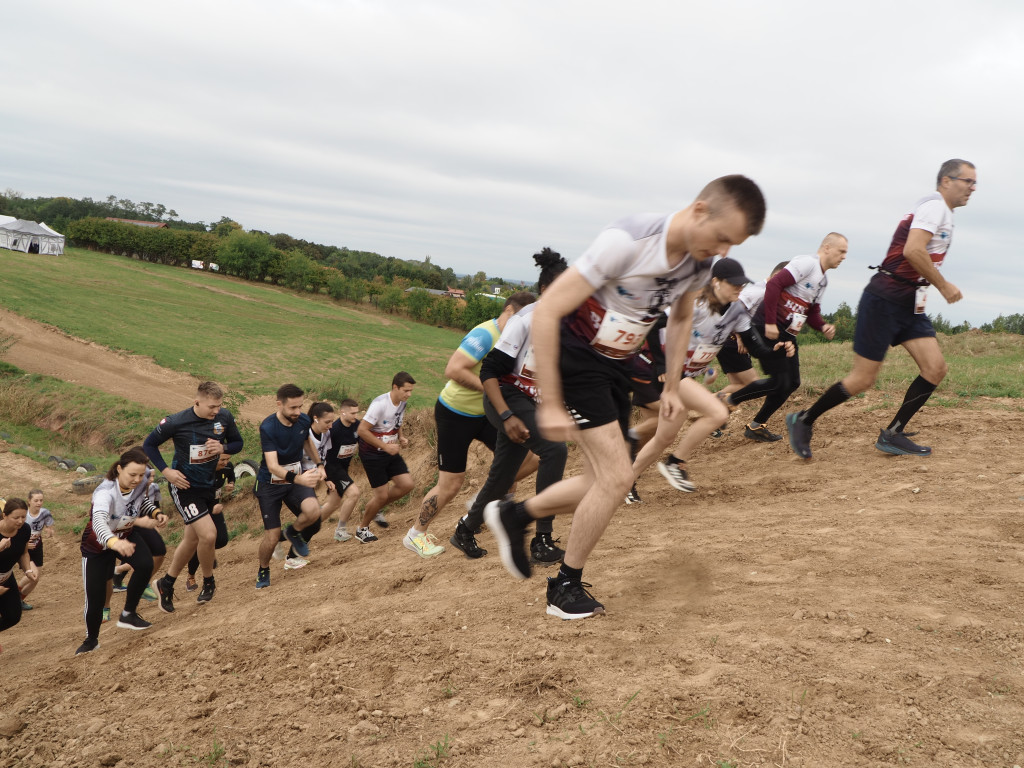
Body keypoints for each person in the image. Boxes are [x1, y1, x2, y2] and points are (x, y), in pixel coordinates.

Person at [486, 175, 766, 619]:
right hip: (574, 359)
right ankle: (564, 587)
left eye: (733, 245)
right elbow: (549, 309)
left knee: (607, 482)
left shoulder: (696, 263)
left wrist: (672, 385)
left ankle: (516, 515)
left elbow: (679, 318)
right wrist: (554, 402)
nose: (723, 253)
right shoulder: (628, 241)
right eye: (721, 238)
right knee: (618, 477)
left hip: (615, 365)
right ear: (699, 211)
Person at [787, 160, 976, 459]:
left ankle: (893, 433)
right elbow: (912, 250)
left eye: (974, 183)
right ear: (946, 181)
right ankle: (804, 419)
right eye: (968, 181)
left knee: (935, 368)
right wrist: (944, 285)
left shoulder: (940, 212)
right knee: (863, 379)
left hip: (909, 303)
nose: (972, 188)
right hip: (885, 300)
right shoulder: (935, 206)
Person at [630, 258, 792, 494]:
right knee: (716, 412)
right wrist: (662, 365)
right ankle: (676, 463)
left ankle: (623, 481)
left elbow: (755, 347)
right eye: (733, 284)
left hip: (685, 376)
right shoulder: (696, 303)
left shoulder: (737, 312)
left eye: (742, 284)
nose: (739, 288)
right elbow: (655, 324)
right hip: (667, 371)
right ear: (715, 282)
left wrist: (775, 351)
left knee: (663, 438)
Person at [452, 248, 570, 561]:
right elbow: (490, 370)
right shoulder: (526, 320)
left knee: (503, 477)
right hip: (506, 397)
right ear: (545, 290)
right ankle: (541, 539)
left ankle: (465, 529)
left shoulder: (567, 322)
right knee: (555, 449)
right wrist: (506, 416)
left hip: (531, 402)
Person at [412, 291, 537, 558]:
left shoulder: (516, 339)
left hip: (486, 414)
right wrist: (494, 391)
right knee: (451, 482)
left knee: (527, 457)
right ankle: (416, 534)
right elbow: (454, 369)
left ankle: (478, 506)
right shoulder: (485, 335)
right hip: (454, 413)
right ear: (511, 313)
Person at [722, 234, 847, 441]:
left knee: (792, 382)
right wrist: (770, 322)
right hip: (769, 327)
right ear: (826, 248)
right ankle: (729, 399)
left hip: (788, 333)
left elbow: (812, 311)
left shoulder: (822, 281)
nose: (843, 257)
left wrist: (823, 326)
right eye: (841, 251)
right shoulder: (807, 264)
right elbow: (773, 285)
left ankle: (755, 426)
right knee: (781, 381)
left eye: (845, 253)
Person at [146, 381, 243, 611]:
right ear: (196, 402)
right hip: (185, 488)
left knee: (192, 540)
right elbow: (149, 445)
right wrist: (167, 472)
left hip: (209, 486)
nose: (216, 411)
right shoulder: (176, 422)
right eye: (211, 406)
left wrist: (223, 448)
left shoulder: (224, 418)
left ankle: (165, 584)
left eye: (219, 406)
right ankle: (208, 581)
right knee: (209, 535)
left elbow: (238, 443)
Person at [76, 448, 169, 655]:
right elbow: (99, 521)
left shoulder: (140, 482)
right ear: (119, 469)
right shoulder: (104, 492)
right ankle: (91, 639)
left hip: (126, 534)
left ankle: (128, 613)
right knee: (95, 598)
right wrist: (113, 542)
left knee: (145, 564)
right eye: (132, 475)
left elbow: (141, 501)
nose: (138, 479)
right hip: (98, 545)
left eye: (141, 475)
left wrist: (156, 511)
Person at [253, 383, 325, 589]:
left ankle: (293, 532)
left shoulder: (302, 419)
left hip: (294, 478)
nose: (298, 412)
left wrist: (319, 464)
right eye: (293, 408)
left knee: (313, 513)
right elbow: (273, 466)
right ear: (279, 404)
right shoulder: (268, 427)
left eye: (300, 406)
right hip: (270, 484)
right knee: (273, 535)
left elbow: (307, 442)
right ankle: (263, 569)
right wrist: (299, 479)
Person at [354, 372, 416, 544]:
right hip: (372, 454)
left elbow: (397, 422)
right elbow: (362, 430)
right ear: (395, 387)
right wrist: (385, 446)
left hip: (390, 451)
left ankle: (376, 508)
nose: (409, 394)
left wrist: (401, 437)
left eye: (411, 391)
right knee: (380, 496)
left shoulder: (402, 402)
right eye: (406, 390)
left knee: (407, 485)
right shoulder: (379, 404)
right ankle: (362, 529)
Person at [715, 261, 791, 398]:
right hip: (732, 343)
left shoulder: (766, 291)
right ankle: (704, 403)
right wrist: (739, 337)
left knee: (737, 384)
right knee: (751, 384)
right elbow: (734, 308)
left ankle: (713, 409)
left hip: (730, 341)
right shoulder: (759, 291)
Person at [185, 458, 233, 591]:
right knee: (201, 543)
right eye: (222, 459)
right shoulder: (202, 471)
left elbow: (231, 474)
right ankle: (190, 576)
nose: (225, 462)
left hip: (215, 506)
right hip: (201, 509)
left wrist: (231, 484)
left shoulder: (227, 466)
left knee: (222, 540)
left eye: (227, 459)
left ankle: (208, 551)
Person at [322, 399, 363, 542]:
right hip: (332, 469)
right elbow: (321, 451)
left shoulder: (357, 425)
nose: (355, 416)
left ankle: (305, 527)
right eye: (352, 413)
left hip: (344, 469)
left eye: (356, 413)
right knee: (354, 493)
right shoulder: (333, 429)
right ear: (342, 412)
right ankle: (341, 530)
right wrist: (325, 476)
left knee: (333, 504)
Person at [1, 499, 39, 650]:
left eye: (23, 517)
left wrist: (27, 570)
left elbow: (23, 553)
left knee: (13, 616)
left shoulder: (24, 530)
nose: (20, 521)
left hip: (6, 577)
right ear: (4, 515)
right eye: (16, 517)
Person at [20, 489, 54, 610]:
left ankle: (19, 600)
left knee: (35, 579)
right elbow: (15, 533)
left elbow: (49, 525)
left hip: (38, 547)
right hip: (24, 550)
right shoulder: (24, 515)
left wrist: (49, 531)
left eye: (41, 500)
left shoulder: (45, 513)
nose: (39, 503)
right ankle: (12, 595)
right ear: (29, 501)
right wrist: (24, 545)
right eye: (36, 500)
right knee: (33, 574)